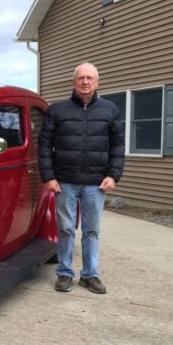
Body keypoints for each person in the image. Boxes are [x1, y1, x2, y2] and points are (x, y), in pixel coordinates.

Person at [38, 62, 125, 294]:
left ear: (97, 82)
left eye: (90, 78)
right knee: (65, 228)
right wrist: (49, 176)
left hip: (96, 183)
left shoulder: (110, 110)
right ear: (73, 82)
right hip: (64, 181)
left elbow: (117, 146)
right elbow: (44, 146)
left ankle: (89, 275)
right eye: (81, 78)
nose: (85, 82)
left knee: (91, 231)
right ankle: (65, 273)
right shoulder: (57, 110)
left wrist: (113, 175)